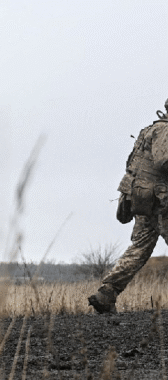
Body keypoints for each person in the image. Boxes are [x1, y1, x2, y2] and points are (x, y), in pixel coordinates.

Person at [89, 99, 168, 314]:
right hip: (160, 202)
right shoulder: (164, 131)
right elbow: (164, 161)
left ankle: (106, 293)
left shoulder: (148, 130)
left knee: (139, 248)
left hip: (144, 200)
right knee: (140, 248)